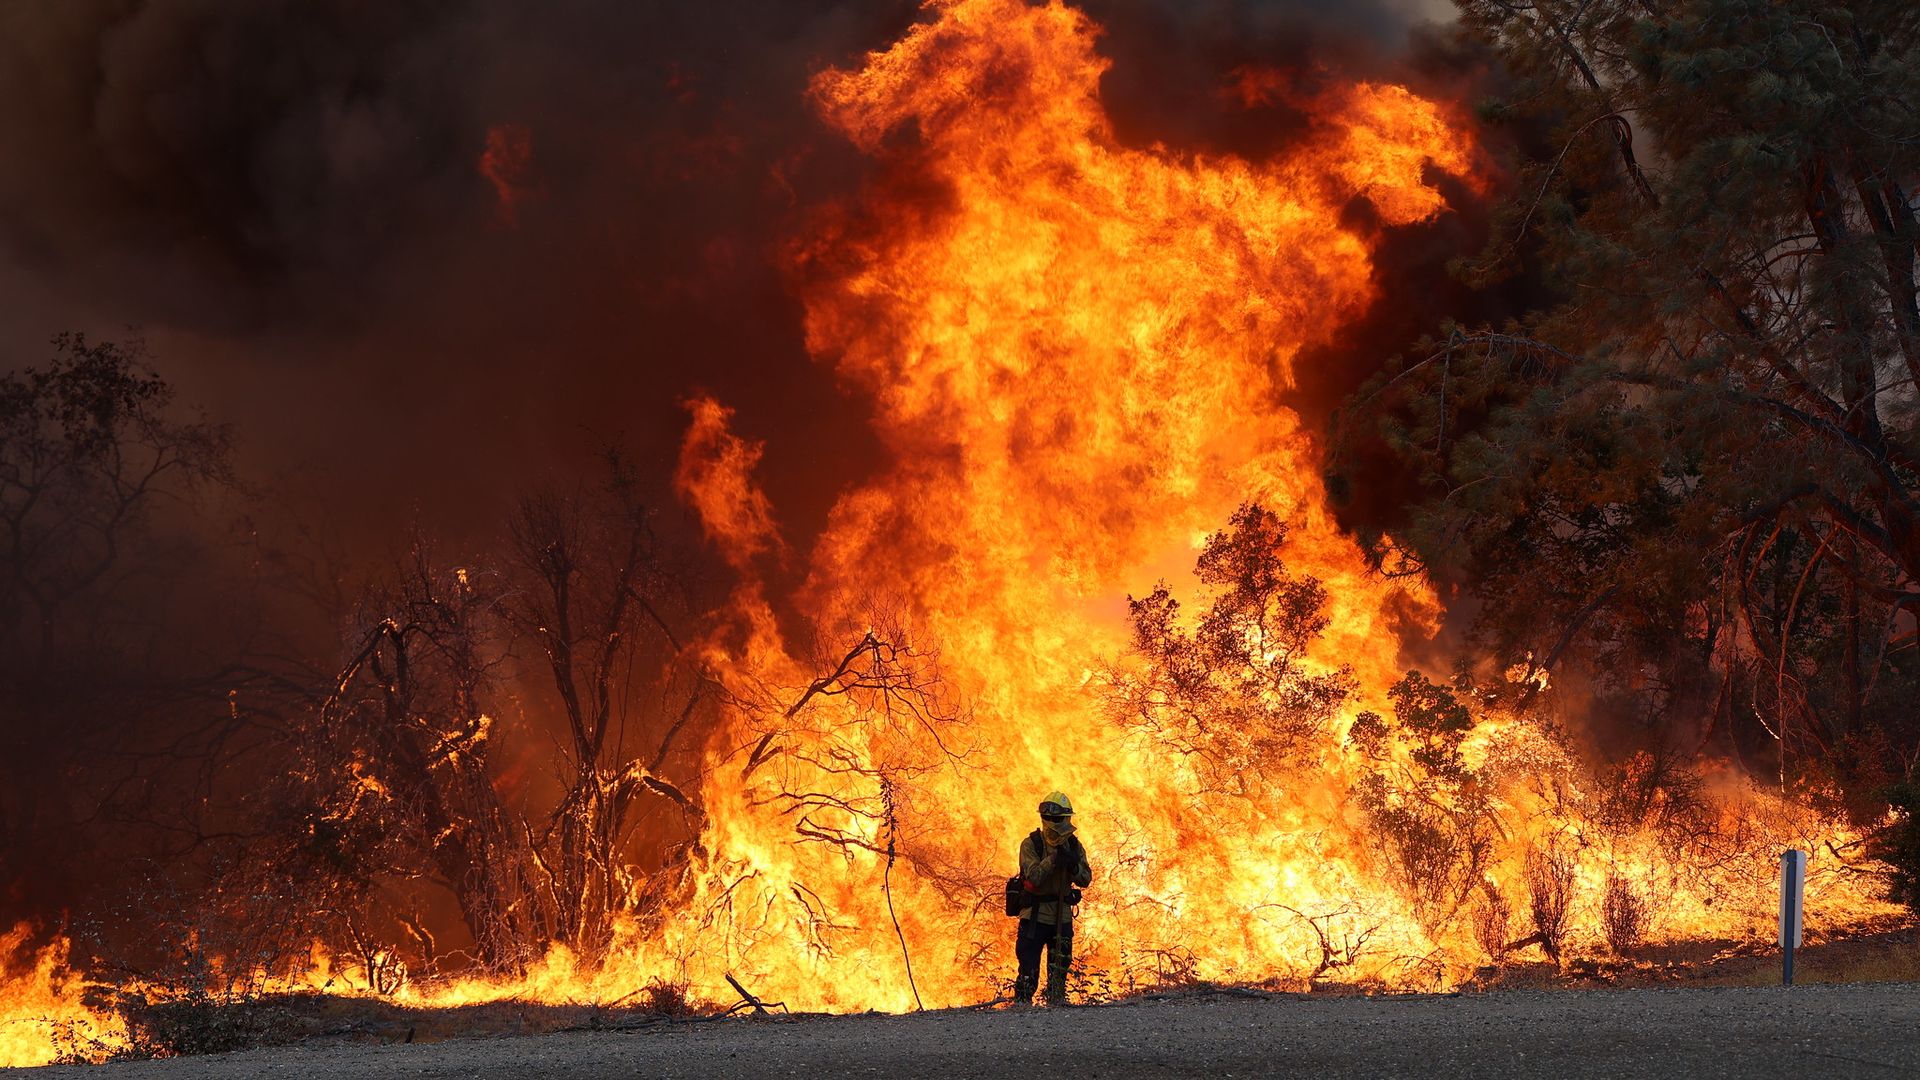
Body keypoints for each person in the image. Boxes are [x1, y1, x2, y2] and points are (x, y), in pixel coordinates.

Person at [1013, 790, 1092, 1006]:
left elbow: (1086, 878)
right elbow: (1034, 877)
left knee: (1059, 975)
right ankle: (1020, 1014)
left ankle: (1057, 1018)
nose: (1056, 823)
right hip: (1034, 920)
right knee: (1028, 974)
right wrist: (1054, 860)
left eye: (1060, 819)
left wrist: (1072, 865)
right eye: (1052, 819)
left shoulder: (1074, 846)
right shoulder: (1031, 845)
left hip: (1062, 918)